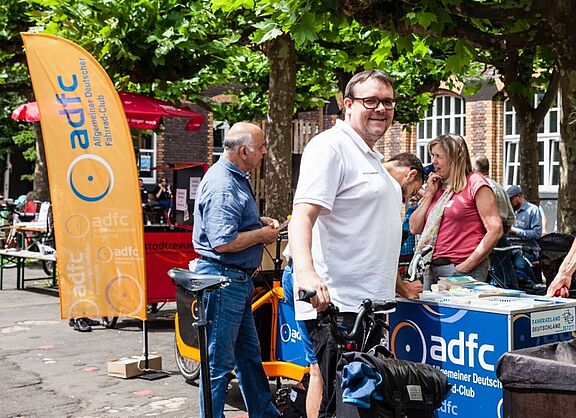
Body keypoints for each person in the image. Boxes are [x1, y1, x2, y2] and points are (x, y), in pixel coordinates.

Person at [289, 70, 422, 417]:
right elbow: (302, 216)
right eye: (370, 101)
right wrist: (305, 275)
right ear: (348, 105)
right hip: (337, 304)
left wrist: (398, 285)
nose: (380, 108)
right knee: (336, 396)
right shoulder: (330, 147)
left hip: (370, 304)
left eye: (388, 102)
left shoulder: (373, 158)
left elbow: (374, 233)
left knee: (360, 401)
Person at [192, 122, 280, 418]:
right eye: (262, 147)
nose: (265, 152)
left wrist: (257, 222)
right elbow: (223, 242)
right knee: (219, 364)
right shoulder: (224, 185)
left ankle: (264, 413)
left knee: (248, 358)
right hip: (223, 280)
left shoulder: (233, 177)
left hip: (232, 281)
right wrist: (262, 235)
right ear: (244, 151)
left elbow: (229, 225)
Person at [409, 134, 502, 290]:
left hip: (462, 267)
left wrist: (466, 266)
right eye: (432, 155)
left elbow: (495, 229)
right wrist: (429, 194)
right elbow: (414, 228)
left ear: (455, 158)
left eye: (439, 156)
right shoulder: (438, 186)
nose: (434, 161)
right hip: (431, 267)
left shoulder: (475, 183)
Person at [473, 156, 518, 288]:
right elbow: (510, 219)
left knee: (486, 282)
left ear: (475, 170)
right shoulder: (500, 187)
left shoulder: (479, 188)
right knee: (504, 278)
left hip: (484, 238)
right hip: (502, 237)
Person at [506, 185, 542, 287]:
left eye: (510, 199)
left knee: (520, 263)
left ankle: (534, 286)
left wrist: (516, 231)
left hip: (527, 248)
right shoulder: (509, 211)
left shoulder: (533, 210)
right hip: (509, 247)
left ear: (519, 197)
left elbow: (537, 233)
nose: (509, 203)